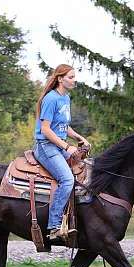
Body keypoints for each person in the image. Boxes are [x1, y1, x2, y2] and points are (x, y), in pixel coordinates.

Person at [33, 64, 90, 241]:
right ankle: (53, 227)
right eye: (71, 77)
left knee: (84, 168)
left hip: (59, 145)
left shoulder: (66, 98)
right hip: (46, 146)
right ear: (60, 79)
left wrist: (79, 138)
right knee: (66, 179)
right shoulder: (51, 99)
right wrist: (67, 147)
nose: (75, 80)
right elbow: (46, 130)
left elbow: (63, 126)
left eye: (74, 77)